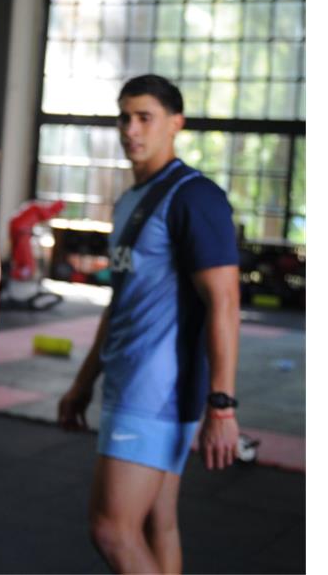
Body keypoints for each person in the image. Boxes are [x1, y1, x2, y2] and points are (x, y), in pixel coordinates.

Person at [57, 74, 243, 574]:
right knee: (158, 524)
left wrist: (221, 407)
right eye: (125, 117)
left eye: (145, 117)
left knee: (111, 529)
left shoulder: (194, 197)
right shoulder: (129, 201)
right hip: (126, 379)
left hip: (158, 392)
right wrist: (82, 383)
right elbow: (120, 304)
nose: (131, 129)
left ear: (175, 124)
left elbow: (225, 301)